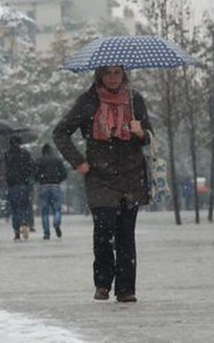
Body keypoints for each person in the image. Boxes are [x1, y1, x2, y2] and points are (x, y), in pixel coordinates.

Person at [53, 65, 152, 303]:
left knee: (126, 234)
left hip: (131, 176)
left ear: (124, 75)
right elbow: (60, 133)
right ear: (100, 75)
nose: (112, 78)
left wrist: (141, 132)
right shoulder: (88, 101)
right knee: (104, 229)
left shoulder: (134, 99)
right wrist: (78, 162)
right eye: (107, 73)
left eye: (117, 73)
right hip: (99, 177)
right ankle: (103, 282)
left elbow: (149, 136)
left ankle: (126, 288)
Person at [3, 136, 35, 241]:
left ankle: (16, 232)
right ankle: (25, 223)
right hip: (24, 184)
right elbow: (32, 167)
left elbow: (4, 169)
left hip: (12, 185)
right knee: (25, 207)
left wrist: (8, 178)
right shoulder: (25, 154)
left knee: (15, 209)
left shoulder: (7, 155)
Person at [35, 144, 68, 240]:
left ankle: (46, 233)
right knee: (57, 209)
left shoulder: (39, 161)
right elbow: (64, 173)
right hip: (55, 185)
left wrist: (40, 179)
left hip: (43, 186)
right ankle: (56, 223)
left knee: (44, 212)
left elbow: (35, 174)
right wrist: (58, 179)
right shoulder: (57, 160)